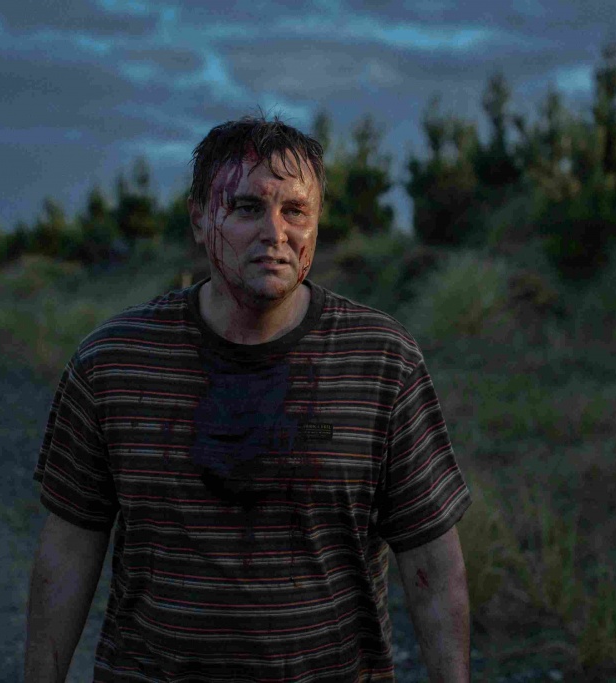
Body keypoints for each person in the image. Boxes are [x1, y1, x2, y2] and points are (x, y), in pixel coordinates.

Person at [25, 114, 473, 682]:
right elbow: (69, 547)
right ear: (199, 218)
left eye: (296, 211)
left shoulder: (382, 361)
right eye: (246, 208)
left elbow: (431, 558)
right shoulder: (114, 361)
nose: (275, 233)